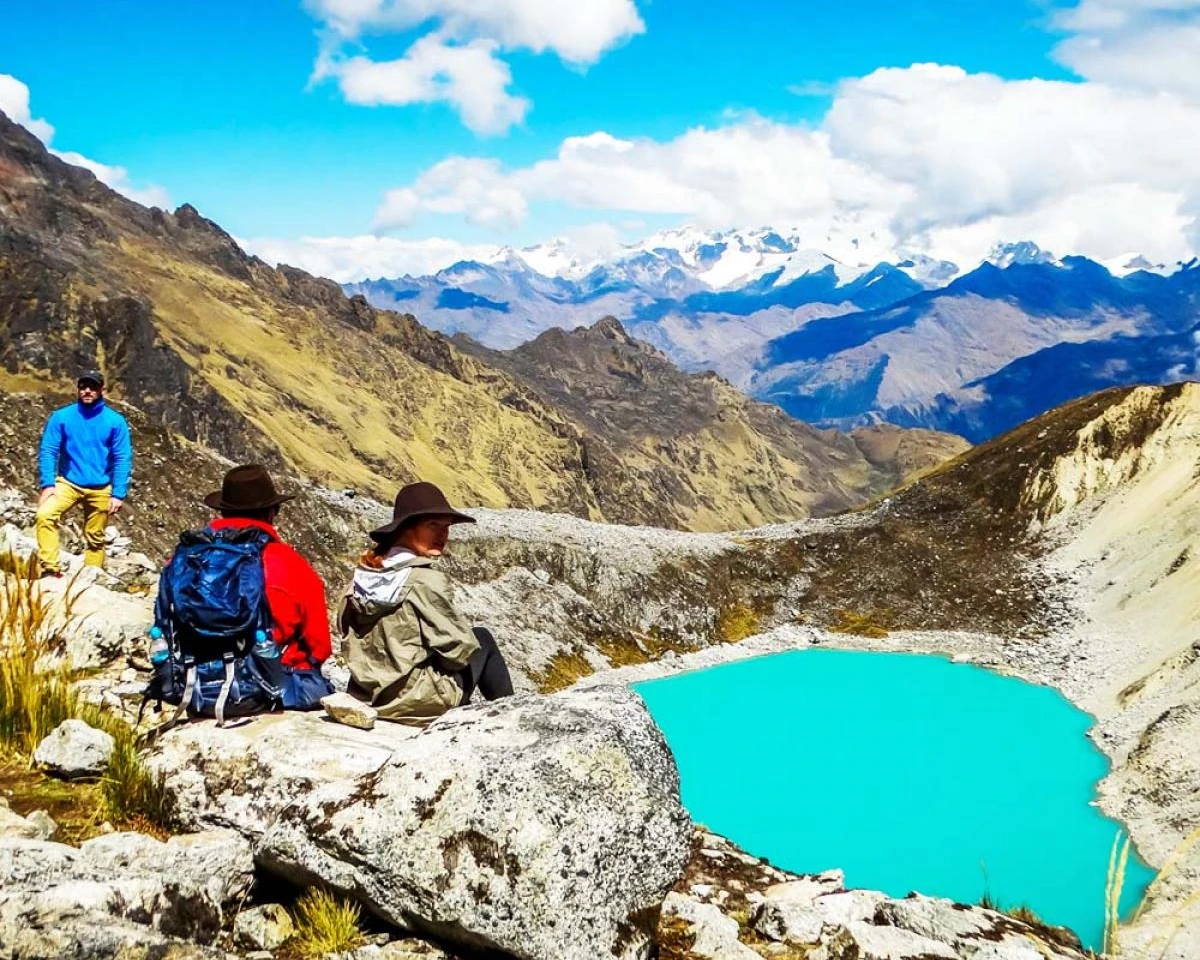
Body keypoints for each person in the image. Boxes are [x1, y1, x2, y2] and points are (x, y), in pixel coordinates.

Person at [341, 481, 513, 724]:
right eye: (433, 525)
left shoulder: (361, 577)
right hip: (411, 701)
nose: (443, 535)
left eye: (446, 527)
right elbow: (459, 651)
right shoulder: (424, 580)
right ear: (406, 528)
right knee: (482, 638)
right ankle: (512, 718)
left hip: (366, 694)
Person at [195, 463, 334, 709]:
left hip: (195, 686)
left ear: (223, 512)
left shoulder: (187, 557)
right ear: (271, 512)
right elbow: (319, 645)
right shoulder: (291, 565)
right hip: (267, 689)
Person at [36, 370, 133, 576]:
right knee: (45, 515)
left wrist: (118, 494)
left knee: (95, 537)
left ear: (102, 390)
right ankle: (50, 568)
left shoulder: (115, 421)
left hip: (101, 487)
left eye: (93, 387)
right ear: (78, 389)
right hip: (68, 483)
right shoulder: (61, 417)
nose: (87, 391)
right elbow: (49, 450)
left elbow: (122, 458)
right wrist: (48, 485)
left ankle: (93, 576)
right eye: (83, 387)